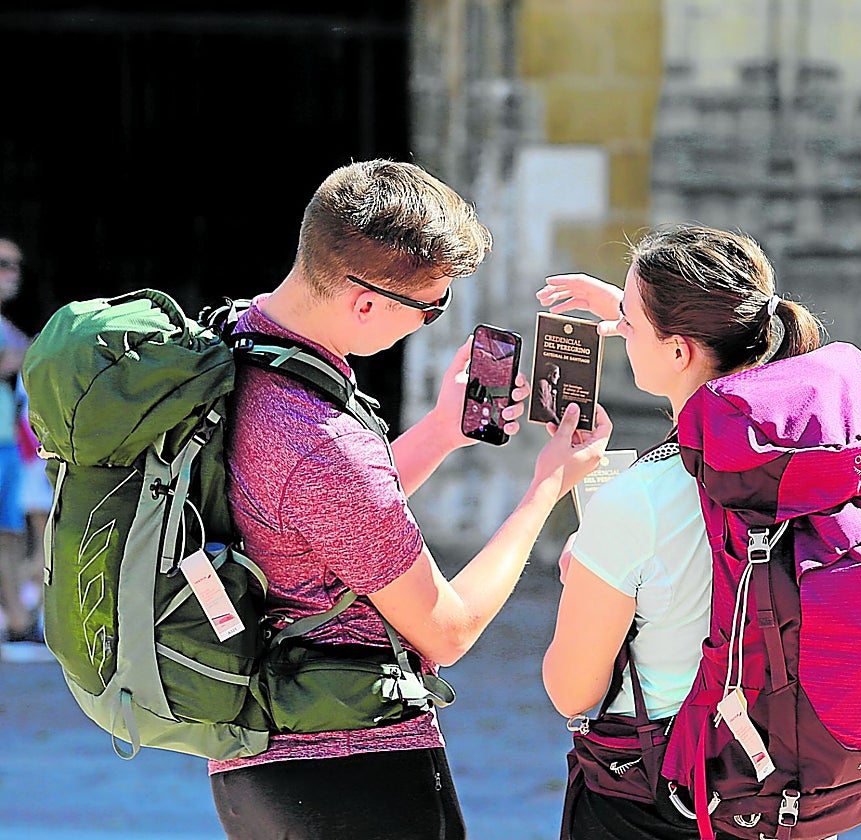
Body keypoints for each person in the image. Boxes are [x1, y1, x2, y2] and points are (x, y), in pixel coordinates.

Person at [206, 159, 612, 840]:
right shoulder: (325, 443)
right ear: (365, 303)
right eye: (430, 307)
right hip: (356, 768)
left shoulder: (239, 345)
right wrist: (549, 485)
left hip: (251, 763)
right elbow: (447, 631)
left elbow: (307, 517)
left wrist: (440, 433)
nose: (427, 325)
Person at [537, 224, 825, 839]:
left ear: (678, 351)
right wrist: (631, 306)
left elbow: (570, 689)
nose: (618, 336)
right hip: (782, 777)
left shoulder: (638, 499)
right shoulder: (808, 453)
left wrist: (586, 578)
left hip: (664, 792)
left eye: (629, 325)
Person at [0, 237, 36, 652]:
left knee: (9, 533)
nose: (13, 274)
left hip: (7, 443)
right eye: (4, 265)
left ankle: (17, 618)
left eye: (15, 265)